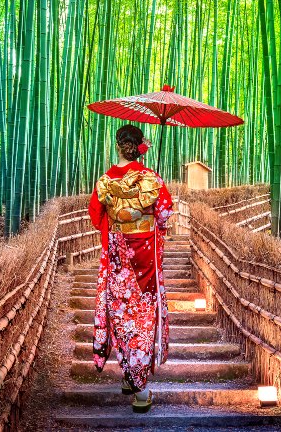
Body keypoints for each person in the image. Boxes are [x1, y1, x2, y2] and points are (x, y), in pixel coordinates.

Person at [88, 124, 173, 413]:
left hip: (116, 256)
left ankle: (128, 373)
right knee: (142, 314)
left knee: (120, 310)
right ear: (139, 146)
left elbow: (95, 216)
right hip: (144, 256)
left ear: (117, 145)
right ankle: (141, 389)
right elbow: (163, 214)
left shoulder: (105, 180)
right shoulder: (151, 178)